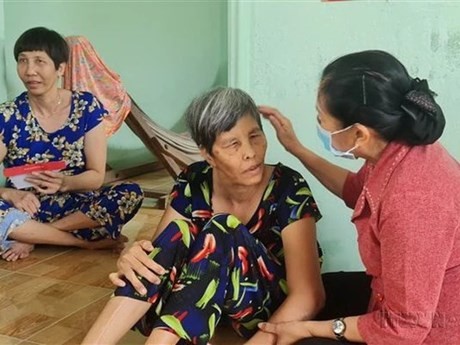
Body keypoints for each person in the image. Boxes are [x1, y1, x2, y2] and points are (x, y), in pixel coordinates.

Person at [82, 87, 325, 345]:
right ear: (208, 154)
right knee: (173, 239)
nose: (250, 152)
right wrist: (135, 259)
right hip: (202, 307)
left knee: (222, 229)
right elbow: (163, 257)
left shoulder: (287, 186)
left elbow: (309, 295)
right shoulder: (194, 180)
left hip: (263, 310)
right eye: (233, 144)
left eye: (255, 136)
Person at [257, 50, 460, 345]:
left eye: (321, 119)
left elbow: (404, 329)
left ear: (359, 134)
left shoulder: (413, 201)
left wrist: (310, 329)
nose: (320, 126)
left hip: (426, 332)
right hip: (397, 299)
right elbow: (356, 190)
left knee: (304, 339)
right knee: (310, 291)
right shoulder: (396, 146)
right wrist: (296, 149)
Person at [0, 27, 144, 262]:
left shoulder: (85, 106)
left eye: (39, 61)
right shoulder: (7, 115)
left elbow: (96, 176)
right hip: (24, 207)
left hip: (75, 206)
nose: (30, 71)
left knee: (130, 193)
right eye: (23, 61)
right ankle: (81, 242)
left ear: (60, 68)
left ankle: (32, 236)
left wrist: (65, 182)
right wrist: (9, 193)